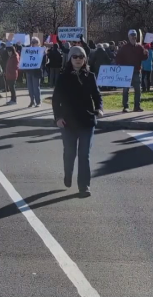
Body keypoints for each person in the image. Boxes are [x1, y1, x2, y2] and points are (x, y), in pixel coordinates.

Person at [52, 45, 103, 197]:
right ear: (70, 59)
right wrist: (58, 118)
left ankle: (84, 186)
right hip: (68, 123)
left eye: (81, 57)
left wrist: (99, 109)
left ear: (85, 59)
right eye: (75, 57)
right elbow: (56, 100)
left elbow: (97, 96)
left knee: (84, 155)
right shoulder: (63, 77)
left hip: (87, 121)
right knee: (70, 153)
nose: (78, 59)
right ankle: (68, 174)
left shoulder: (90, 76)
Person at [115, 29, 148, 112]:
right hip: (126, 72)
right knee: (126, 90)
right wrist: (119, 65)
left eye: (134, 35)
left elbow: (144, 58)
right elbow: (118, 57)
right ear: (129, 37)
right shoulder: (124, 48)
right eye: (132, 35)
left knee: (138, 90)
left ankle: (137, 106)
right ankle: (126, 106)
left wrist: (145, 54)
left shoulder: (140, 47)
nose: (133, 37)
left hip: (137, 71)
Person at [26, 37, 44, 107]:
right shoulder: (28, 50)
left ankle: (38, 102)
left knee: (36, 87)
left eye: (34, 42)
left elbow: (44, 61)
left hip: (36, 72)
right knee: (30, 87)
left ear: (38, 43)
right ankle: (31, 101)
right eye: (32, 42)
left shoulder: (41, 51)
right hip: (29, 71)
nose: (33, 44)